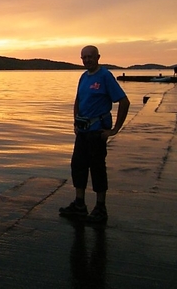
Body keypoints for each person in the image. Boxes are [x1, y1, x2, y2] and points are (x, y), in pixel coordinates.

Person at [59, 45, 130, 223]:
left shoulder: (105, 76)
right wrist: (75, 121)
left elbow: (124, 101)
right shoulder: (83, 77)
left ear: (98, 57)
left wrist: (114, 130)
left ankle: (100, 207)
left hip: (97, 132)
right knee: (78, 166)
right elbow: (78, 100)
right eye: (84, 57)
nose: (87, 60)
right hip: (82, 132)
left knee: (97, 168)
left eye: (90, 57)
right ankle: (79, 204)